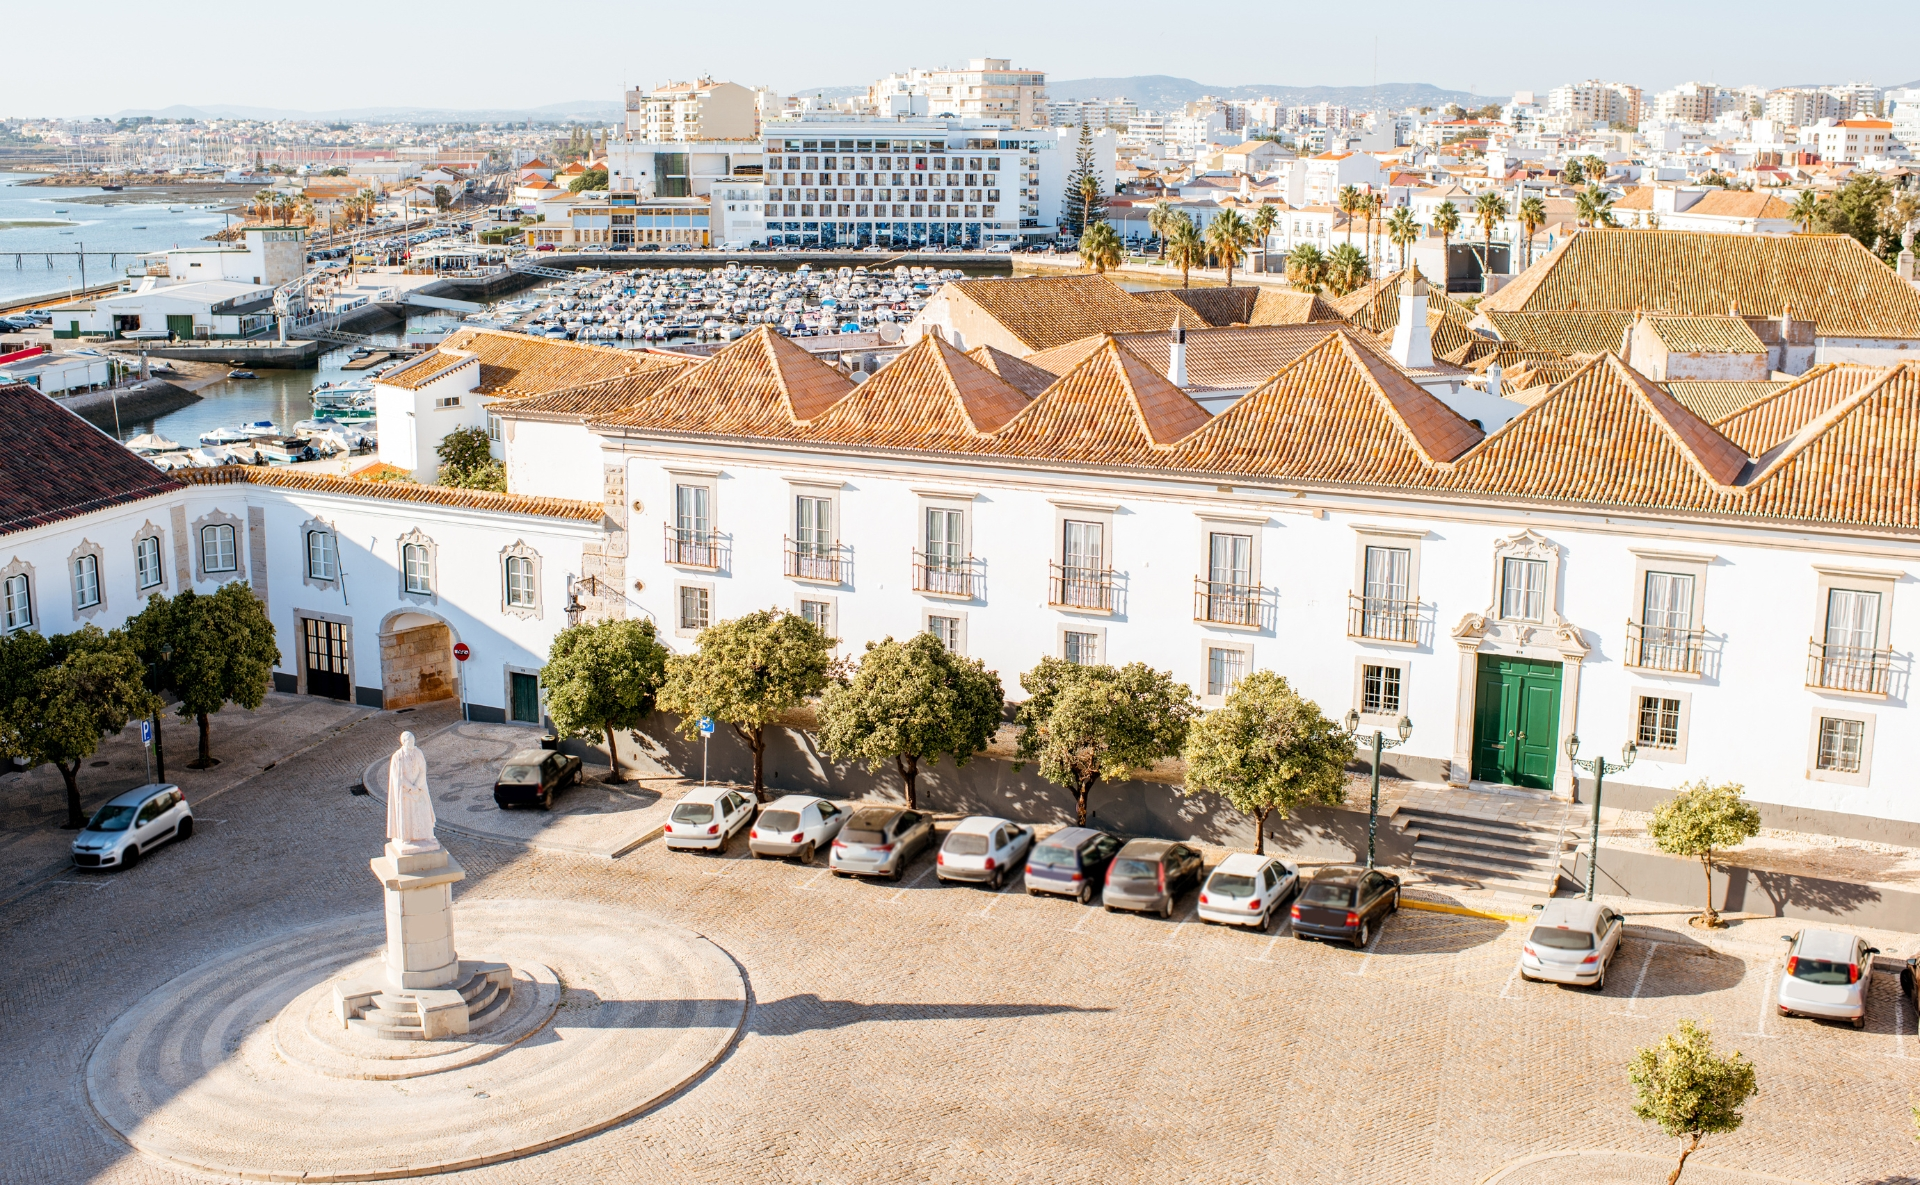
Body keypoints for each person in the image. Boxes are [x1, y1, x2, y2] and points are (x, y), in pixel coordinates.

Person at [386, 731, 440, 854]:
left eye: (413, 741)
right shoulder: (397, 757)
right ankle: (407, 837)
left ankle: (427, 835)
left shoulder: (418, 753)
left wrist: (417, 786)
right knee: (407, 813)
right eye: (409, 741)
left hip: (419, 789)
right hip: (405, 792)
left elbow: (422, 770)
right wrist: (411, 787)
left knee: (423, 811)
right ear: (403, 742)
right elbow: (398, 777)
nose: (412, 743)